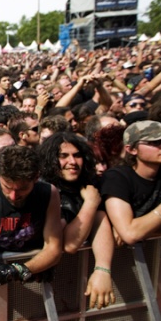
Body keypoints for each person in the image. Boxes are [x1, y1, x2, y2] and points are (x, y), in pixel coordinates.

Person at [38, 132, 116, 309]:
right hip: (47, 288)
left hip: (80, 284)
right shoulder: (45, 190)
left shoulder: (91, 184)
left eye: (77, 155)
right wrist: (90, 203)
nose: (72, 162)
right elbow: (71, 244)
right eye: (63, 156)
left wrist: (103, 270)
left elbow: (100, 218)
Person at [0, 145, 63, 286]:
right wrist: (30, 270)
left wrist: (19, 270)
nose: (14, 196)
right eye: (7, 187)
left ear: (36, 178)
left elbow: (54, 249)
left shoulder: (49, 193)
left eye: (23, 189)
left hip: (38, 280)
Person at [101, 120, 161, 245]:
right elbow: (130, 234)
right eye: (155, 142)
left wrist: (140, 228)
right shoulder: (116, 177)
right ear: (131, 149)